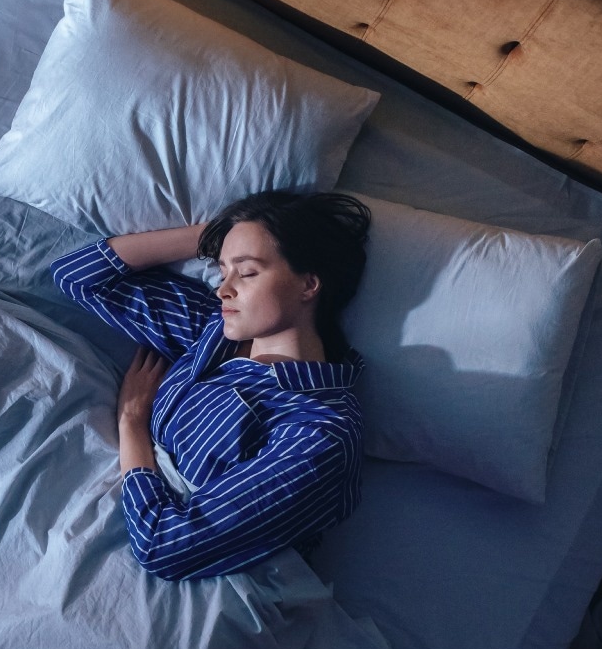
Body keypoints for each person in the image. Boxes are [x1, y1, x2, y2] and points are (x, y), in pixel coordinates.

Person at [51, 190, 371, 580]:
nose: (223, 289)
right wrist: (219, 235)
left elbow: (164, 547)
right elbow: (78, 276)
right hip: (90, 518)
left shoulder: (320, 430)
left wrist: (132, 422)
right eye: (222, 272)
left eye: (247, 272)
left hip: (199, 589)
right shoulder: (214, 330)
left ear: (308, 285)